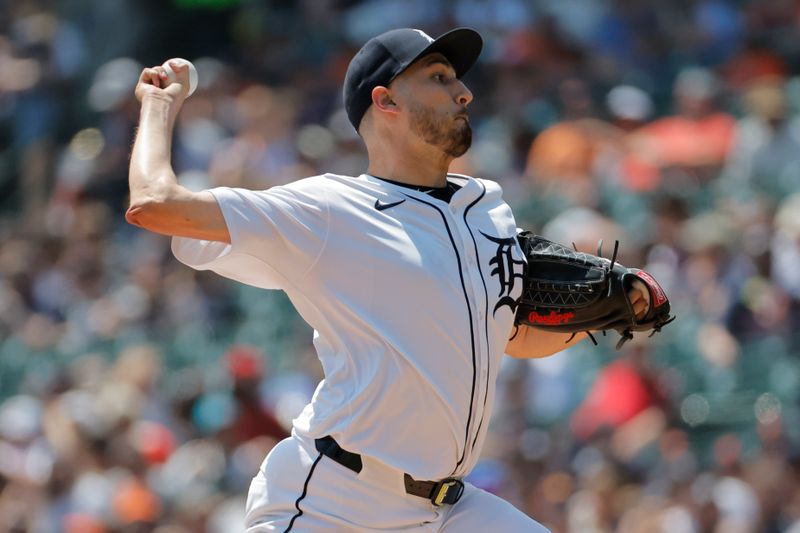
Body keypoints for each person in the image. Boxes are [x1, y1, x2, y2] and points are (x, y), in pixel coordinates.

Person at [127, 27, 650, 533]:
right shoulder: (330, 210)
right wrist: (159, 106)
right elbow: (155, 204)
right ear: (387, 102)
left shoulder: (488, 209)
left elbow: (509, 338)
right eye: (440, 77)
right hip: (332, 504)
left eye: (456, 79)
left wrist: (599, 315)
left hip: (445, 508)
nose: (463, 91)